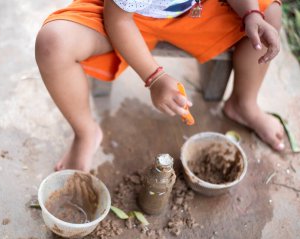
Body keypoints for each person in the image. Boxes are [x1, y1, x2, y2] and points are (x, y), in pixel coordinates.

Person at [35, 0, 284, 172]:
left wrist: (251, 14)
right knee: (53, 44)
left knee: (269, 13)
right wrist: (154, 77)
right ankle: (85, 131)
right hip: (124, 16)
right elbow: (118, 19)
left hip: (198, 10)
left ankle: (244, 103)